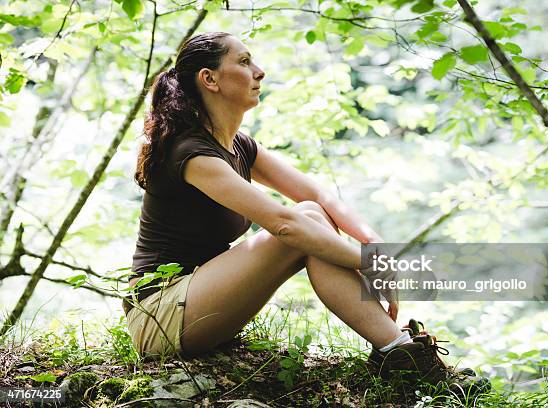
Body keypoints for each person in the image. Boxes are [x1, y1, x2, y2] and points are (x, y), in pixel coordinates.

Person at [124, 31, 488, 392]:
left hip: (199, 300)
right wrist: (367, 261)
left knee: (312, 212)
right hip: (160, 315)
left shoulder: (237, 147)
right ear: (210, 79)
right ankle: (402, 356)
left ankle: (399, 352)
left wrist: (373, 243)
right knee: (300, 229)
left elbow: (316, 194)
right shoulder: (190, 153)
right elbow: (284, 225)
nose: (260, 71)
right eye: (245, 61)